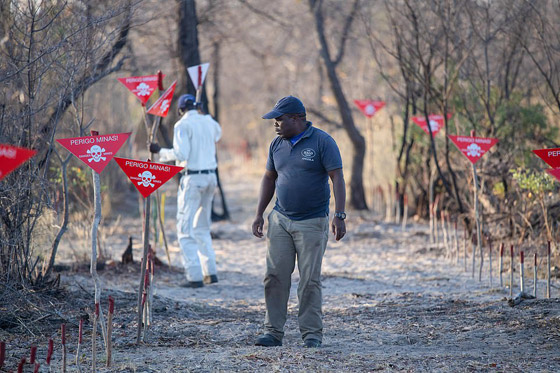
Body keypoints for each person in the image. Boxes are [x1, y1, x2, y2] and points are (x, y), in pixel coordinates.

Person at [251, 96, 346, 348]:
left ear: (296, 118)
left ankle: (312, 334)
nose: (275, 124)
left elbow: (337, 177)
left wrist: (340, 214)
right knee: (274, 276)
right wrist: (260, 213)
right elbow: (269, 178)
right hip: (280, 220)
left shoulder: (322, 142)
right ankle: (272, 332)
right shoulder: (276, 144)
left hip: (312, 222)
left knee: (309, 280)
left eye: (279, 119)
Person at [150, 94, 221, 288]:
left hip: (193, 178)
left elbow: (182, 154)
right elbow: (218, 134)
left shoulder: (181, 125)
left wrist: (160, 152)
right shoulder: (208, 120)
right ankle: (210, 272)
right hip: (210, 178)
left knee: (185, 229)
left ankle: (194, 276)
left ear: (181, 110)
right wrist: (205, 115)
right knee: (202, 227)